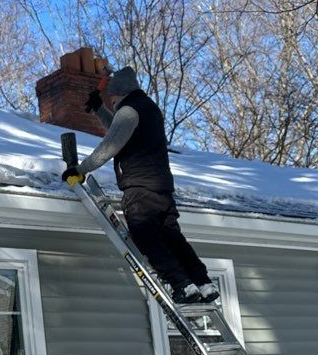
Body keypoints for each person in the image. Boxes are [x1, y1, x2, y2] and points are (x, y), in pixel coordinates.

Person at [62, 66, 219, 304]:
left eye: (112, 98)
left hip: (140, 186)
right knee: (172, 238)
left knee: (145, 237)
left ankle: (181, 284)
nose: (112, 102)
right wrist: (99, 110)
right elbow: (123, 131)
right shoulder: (147, 109)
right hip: (161, 186)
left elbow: (111, 144)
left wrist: (80, 169)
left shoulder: (128, 112)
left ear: (120, 93)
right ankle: (202, 283)